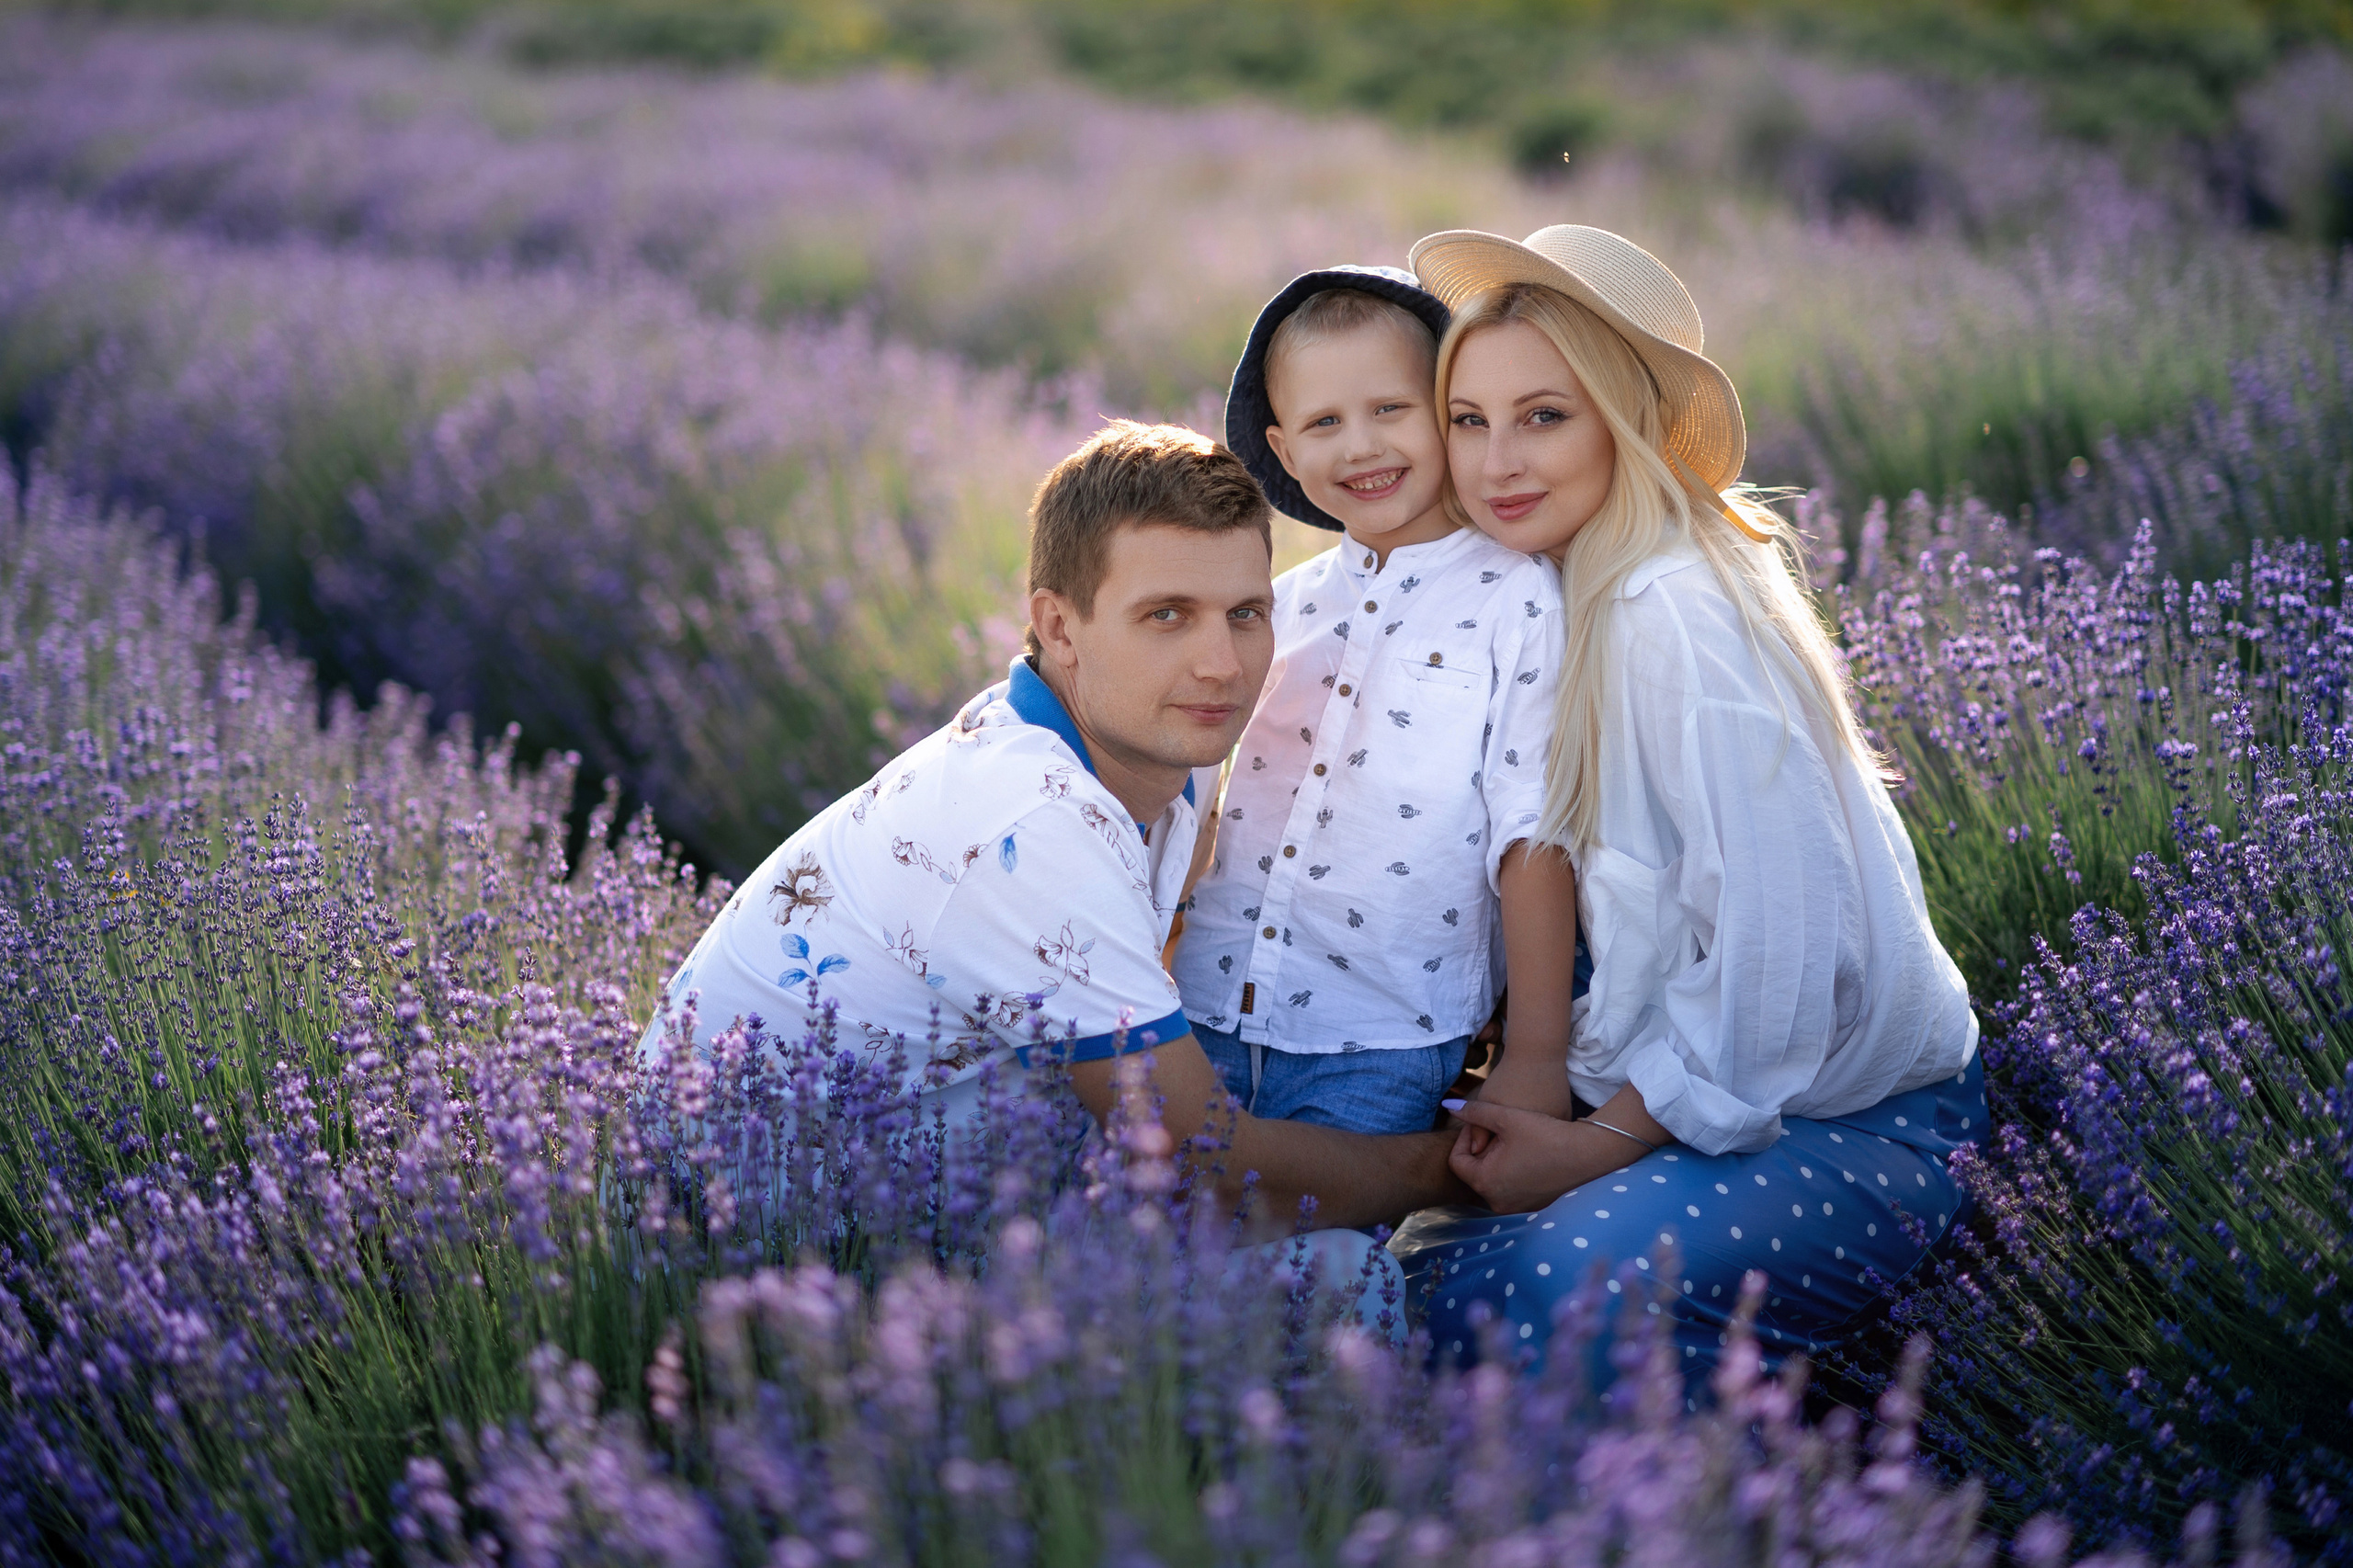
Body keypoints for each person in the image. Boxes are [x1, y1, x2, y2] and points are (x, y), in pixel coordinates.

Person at [1387, 225, 1987, 1378]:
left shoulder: (1671, 608)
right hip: (1684, 1103)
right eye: (1468, 419)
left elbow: (1781, 954)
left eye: (1544, 416)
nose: (1496, 461)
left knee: (1562, 1291)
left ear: (1624, 421)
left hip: (1853, 1126)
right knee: (1398, 1286)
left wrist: (1593, 1146)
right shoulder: (1550, 590)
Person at [646, 418, 1469, 1252]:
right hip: (742, 1254)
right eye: (1168, 615)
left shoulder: (1152, 750)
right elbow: (1208, 1169)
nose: (1222, 664)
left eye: (1247, 613)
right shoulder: (1031, 824)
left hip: (927, 1216)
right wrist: (1456, 1168)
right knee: (1337, 1279)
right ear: (1060, 626)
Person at [1174, 265, 1582, 1137]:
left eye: (1391, 409)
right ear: (1285, 451)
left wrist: (1536, 1055)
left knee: (1327, 1223)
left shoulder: (1516, 600)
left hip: (1385, 1034)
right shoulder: (1279, 603)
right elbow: (1197, 792)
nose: (1360, 447)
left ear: (1447, 416)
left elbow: (1532, 833)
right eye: (1324, 423)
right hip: (1206, 1004)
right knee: (1156, 1211)